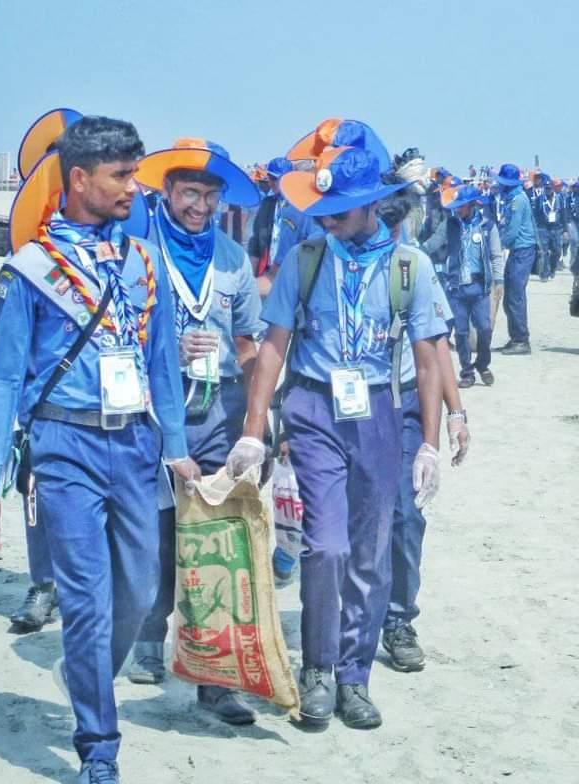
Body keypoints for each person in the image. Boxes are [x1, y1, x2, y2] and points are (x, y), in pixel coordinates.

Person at [0, 116, 197, 784]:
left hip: (134, 443)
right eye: (121, 176)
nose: (135, 187)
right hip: (63, 446)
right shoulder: (32, 270)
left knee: (141, 588)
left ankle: (85, 666)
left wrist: (177, 449)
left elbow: (160, 367)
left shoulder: (141, 260)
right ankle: (99, 746)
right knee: (88, 600)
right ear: (79, 178)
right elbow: (3, 379)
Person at [225, 144, 445, 730]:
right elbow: (273, 347)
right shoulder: (305, 259)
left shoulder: (410, 269)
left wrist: (429, 442)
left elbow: (427, 361)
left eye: (340, 212)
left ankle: (355, 675)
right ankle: (318, 667)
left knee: (370, 554)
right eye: (324, 211)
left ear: (373, 205)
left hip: (378, 412)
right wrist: (254, 430)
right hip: (315, 408)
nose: (328, 220)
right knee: (327, 547)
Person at [126, 138, 263, 724]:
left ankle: (214, 678)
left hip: (219, 413)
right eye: (189, 194)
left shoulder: (233, 259)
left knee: (217, 541)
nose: (200, 207)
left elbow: (251, 342)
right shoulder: (138, 253)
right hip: (151, 413)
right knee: (157, 534)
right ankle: (148, 637)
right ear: (166, 192)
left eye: (209, 196)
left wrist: (258, 423)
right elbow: (118, 333)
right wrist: (167, 348)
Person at [376, 193, 470, 673]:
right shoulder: (319, 257)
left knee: (406, 516)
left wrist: (455, 414)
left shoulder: (415, 266)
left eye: (392, 228)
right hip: (346, 413)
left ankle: (398, 619)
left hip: (406, 408)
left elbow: (436, 348)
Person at [443, 184, 503, 387]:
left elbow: (496, 255)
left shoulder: (488, 226)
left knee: (485, 329)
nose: (457, 209)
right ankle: (467, 372)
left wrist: (499, 280)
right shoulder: (451, 224)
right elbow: (435, 243)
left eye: (461, 206)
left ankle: (482, 364)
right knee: (460, 333)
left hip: (480, 288)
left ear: (471, 205)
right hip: (457, 287)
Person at [248, 156, 314, 295]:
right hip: (266, 270)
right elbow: (255, 242)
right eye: (270, 178)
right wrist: (252, 276)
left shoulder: (301, 207)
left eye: (276, 179)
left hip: (292, 273)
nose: (272, 183)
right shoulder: (267, 204)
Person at [495, 163, 536, 355]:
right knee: (510, 295)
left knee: (515, 296)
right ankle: (515, 337)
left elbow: (512, 230)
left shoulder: (517, 200)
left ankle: (521, 340)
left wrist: (497, 245)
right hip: (518, 251)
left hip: (522, 250)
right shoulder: (512, 197)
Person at [530, 172, 565, 281]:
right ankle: (544, 274)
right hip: (543, 228)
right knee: (543, 251)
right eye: (546, 188)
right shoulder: (539, 199)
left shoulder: (559, 198)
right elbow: (535, 214)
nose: (548, 190)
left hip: (556, 228)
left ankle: (553, 268)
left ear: (553, 188)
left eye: (550, 188)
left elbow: (563, 214)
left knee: (557, 251)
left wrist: (565, 230)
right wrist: (534, 227)